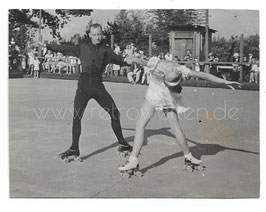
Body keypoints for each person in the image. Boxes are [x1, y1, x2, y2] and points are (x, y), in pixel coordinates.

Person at [118, 56, 241, 175]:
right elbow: (136, 59)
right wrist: (127, 59)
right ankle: (188, 156)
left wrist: (224, 81)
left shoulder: (172, 68)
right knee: (174, 127)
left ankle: (133, 160)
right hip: (164, 96)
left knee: (141, 125)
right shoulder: (158, 65)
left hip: (158, 95)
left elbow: (204, 75)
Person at [38, 23, 132, 161]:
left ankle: (122, 143)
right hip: (83, 85)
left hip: (98, 85)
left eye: (99, 34)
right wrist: (47, 46)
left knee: (114, 113)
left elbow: (121, 60)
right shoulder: (83, 47)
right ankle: (74, 148)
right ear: (90, 35)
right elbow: (64, 48)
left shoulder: (107, 51)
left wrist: (130, 61)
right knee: (77, 116)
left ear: (102, 34)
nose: (97, 37)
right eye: (94, 35)